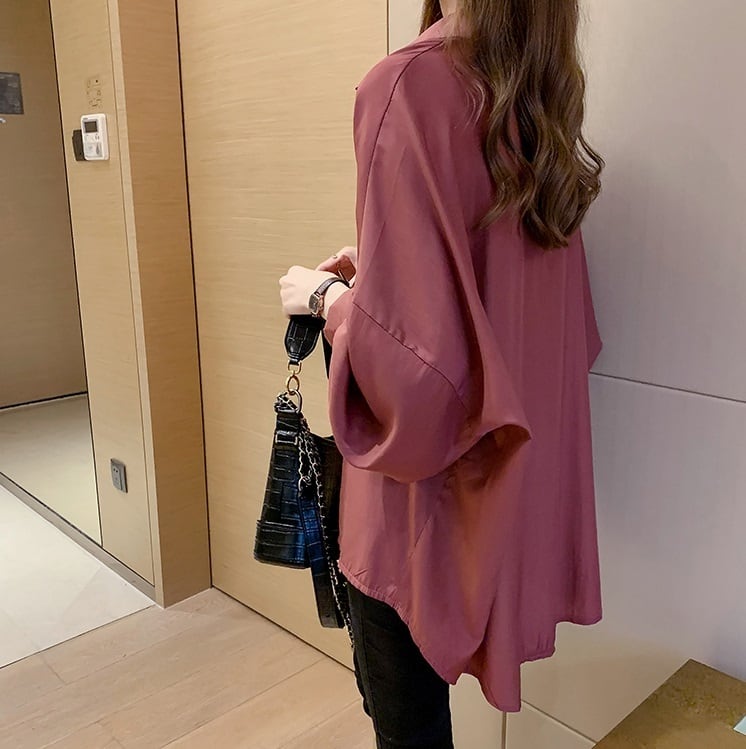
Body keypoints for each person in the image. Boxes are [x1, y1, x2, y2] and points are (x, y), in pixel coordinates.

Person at [280, 0, 604, 746]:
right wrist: (380, 280)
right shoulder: (538, 102)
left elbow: (415, 378)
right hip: (511, 489)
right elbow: (553, 328)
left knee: (408, 728)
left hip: (418, 504)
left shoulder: (408, 84)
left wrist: (329, 300)